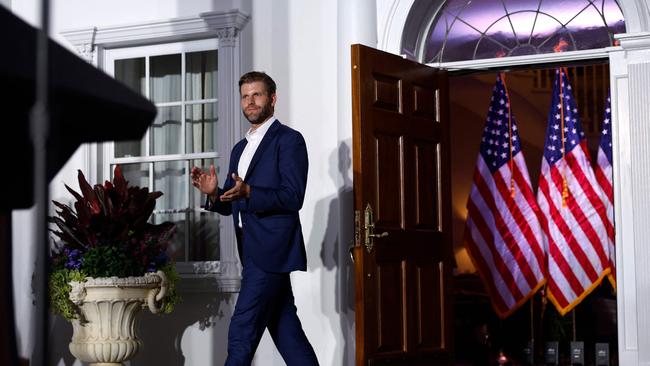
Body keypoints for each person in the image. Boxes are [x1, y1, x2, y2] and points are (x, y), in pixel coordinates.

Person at [191, 71, 319, 366]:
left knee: (241, 332)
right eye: (245, 96)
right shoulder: (240, 148)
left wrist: (249, 191)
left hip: (271, 251)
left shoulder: (289, 140)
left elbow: (292, 196)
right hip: (250, 251)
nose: (250, 102)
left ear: (272, 99)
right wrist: (214, 194)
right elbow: (234, 202)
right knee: (287, 332)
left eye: (257, 95)